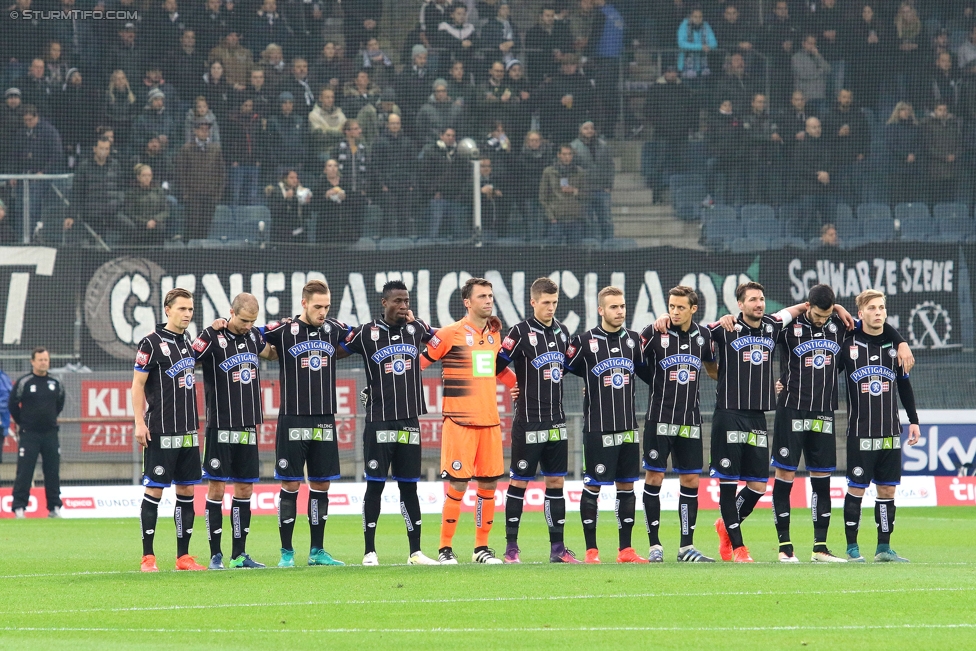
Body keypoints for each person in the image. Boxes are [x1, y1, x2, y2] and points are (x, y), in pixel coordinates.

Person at [770, 284, 913, 562]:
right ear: (808, 306)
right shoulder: (789, 327)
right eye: (818, 315)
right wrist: (807, 307)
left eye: (827, 316)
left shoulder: (839, 325)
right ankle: (785, 547)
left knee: (821, 481)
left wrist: (901, 341)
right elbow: (768, 325)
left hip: (824, 413)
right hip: (791, 411)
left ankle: (819, 548)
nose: (823, 321)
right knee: (785, 476)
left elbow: (876, 323)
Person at [340, 280, 440, 566]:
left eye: (406, 301)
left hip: (410, 421)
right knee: (375, 486)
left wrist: (419, 321)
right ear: (384, 303)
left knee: (409, 487)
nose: (403, 306)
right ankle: (369, 551)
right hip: (379, 422)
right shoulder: (366, 333)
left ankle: (416, 552)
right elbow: (336, 350)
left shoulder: (415, 329)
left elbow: (440, 344)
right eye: (397, 301)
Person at [707, 283, 808, 562]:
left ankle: (725, 525)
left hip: (757, 418)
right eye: (752, 300)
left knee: (758, 486)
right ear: (740, 305)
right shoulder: (724, 328)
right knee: (728, 484)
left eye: (761, 299)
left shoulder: (771, 326)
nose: (758, 304)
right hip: (728, 415)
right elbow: (694, 330)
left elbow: (797, 309)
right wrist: (718, 320)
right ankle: (738, 548)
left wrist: (832, 307)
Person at [419, 277, 516, 564]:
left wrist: (517, 384)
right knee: (459, 485)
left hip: (489, 422)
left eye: (490, 296)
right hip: (459, 422)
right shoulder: (450, 334)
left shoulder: (494, 335)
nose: (488, 300)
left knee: (488, 486)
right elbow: (418, 365)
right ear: (467, 302)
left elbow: (495, 370)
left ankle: (480, 549)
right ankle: (445, 548)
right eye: (482, 296)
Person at [262, 280, 352, 568]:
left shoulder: (334, 329)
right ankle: (286, 552)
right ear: (303, 303)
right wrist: (221, 324)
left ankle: (317, 551)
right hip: (293, 418)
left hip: (324, 418)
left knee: (322, 484)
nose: (322, 312)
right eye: (317, 306)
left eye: (326, 306)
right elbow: (249, 331)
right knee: (290, 483)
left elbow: (364, 336)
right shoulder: (284, 330)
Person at [496, 277, 580, 564]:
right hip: (528, 421)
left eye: (555, 303)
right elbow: (495, 363)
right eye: (546, 303)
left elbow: (565, 367)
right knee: (519, 483)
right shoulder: (519, 332)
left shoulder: (562, 331)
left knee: (556, 482)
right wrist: (512, 383)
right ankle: (511, 549)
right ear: (533, 302)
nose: (551, 308)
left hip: (556, 421)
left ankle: (558, 550)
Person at [193, 293, 279, 570]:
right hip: (219, 427)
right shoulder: (211, 336)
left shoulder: (254, 337)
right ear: (231, 312)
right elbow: (187, 356)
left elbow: (274, 353)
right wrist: (207, 330)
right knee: (216, 489)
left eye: (252, 321)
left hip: (247, 426)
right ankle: (215, 554)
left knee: (244, 488)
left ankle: (239, 555)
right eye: (243, 320)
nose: (247, 325)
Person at [564, 286, 648, 564]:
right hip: (598, 429)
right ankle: (592, 551)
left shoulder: (635, 341)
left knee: (627, 488)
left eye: (622, 306)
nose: (620, 311)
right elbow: (557, 370)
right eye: (613, 307)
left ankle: (626, 550)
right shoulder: (585, 342)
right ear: (601, 310)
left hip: (628, 427)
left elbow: (650, 375)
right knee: (593, 487)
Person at [839, 290, 921, 563]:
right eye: (872, 308)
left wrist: (914, 421)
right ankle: (852, 548)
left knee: (887, 491)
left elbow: (905, 387)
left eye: (882, 308)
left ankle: (883, 548)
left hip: (889, 432)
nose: (878, 312)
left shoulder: (895, 348)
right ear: (860, 314)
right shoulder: (847, 342)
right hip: (860, 432)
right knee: (856, 489)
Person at [640, 286, 716, 563]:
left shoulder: (705, 336)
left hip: (690, 421)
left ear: (693, 309)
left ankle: (686, 547)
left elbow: (712, 366)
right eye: (671, 306)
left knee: (691, 479)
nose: (674, 311)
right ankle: (654, 545)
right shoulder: (653, 333)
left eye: (680, 307)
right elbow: (633, 360)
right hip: (659, 419)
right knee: (654, 478)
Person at [132, 289, 205, 572]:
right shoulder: (150, 342)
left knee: (187, 490)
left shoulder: (187, 342)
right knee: (155, 490)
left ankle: (183, 557)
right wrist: (139, 422)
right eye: (182, 309)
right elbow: (137, 385)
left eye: (190, 310)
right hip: (161, 430)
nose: (187, 314)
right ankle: (148, 557)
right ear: (167, 310)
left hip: (188, 431)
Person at [8, 348, 65, 519]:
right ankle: (19, 507)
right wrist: (24, 423)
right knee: (25, 471)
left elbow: (59, 404)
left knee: (52, 471)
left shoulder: (56, 382)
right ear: (32, 361)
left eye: (46, 359)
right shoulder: (24, 382)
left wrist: (49, 419)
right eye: (40, 359)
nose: (43, 363)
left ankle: (54, 507)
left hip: (50, 434)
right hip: (29, 434)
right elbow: (13, 405)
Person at [176, 119, 226, 240]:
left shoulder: (216, 149)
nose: (205, 132)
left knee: (205, 227)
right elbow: (181, 173)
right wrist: (186, 193)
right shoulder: (187, 149)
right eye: (202, 129)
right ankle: (188, 252)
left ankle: (202, 253)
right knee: (192, 226)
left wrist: (218, 194)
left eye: (207, 129)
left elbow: (222, 173)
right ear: (195, 131)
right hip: (193, 195)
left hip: (210, 195)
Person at [539, 144, 585, 244]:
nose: (567, 157)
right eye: (564, 154)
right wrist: (551, 217)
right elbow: (543, 197)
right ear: (558, 155)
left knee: (575, 252)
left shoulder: (579, 172)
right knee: (554, 253)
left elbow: (586, 194)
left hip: (574, 219)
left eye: (569, 154)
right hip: (556, 219)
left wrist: (574, 191)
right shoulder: (549, 172)